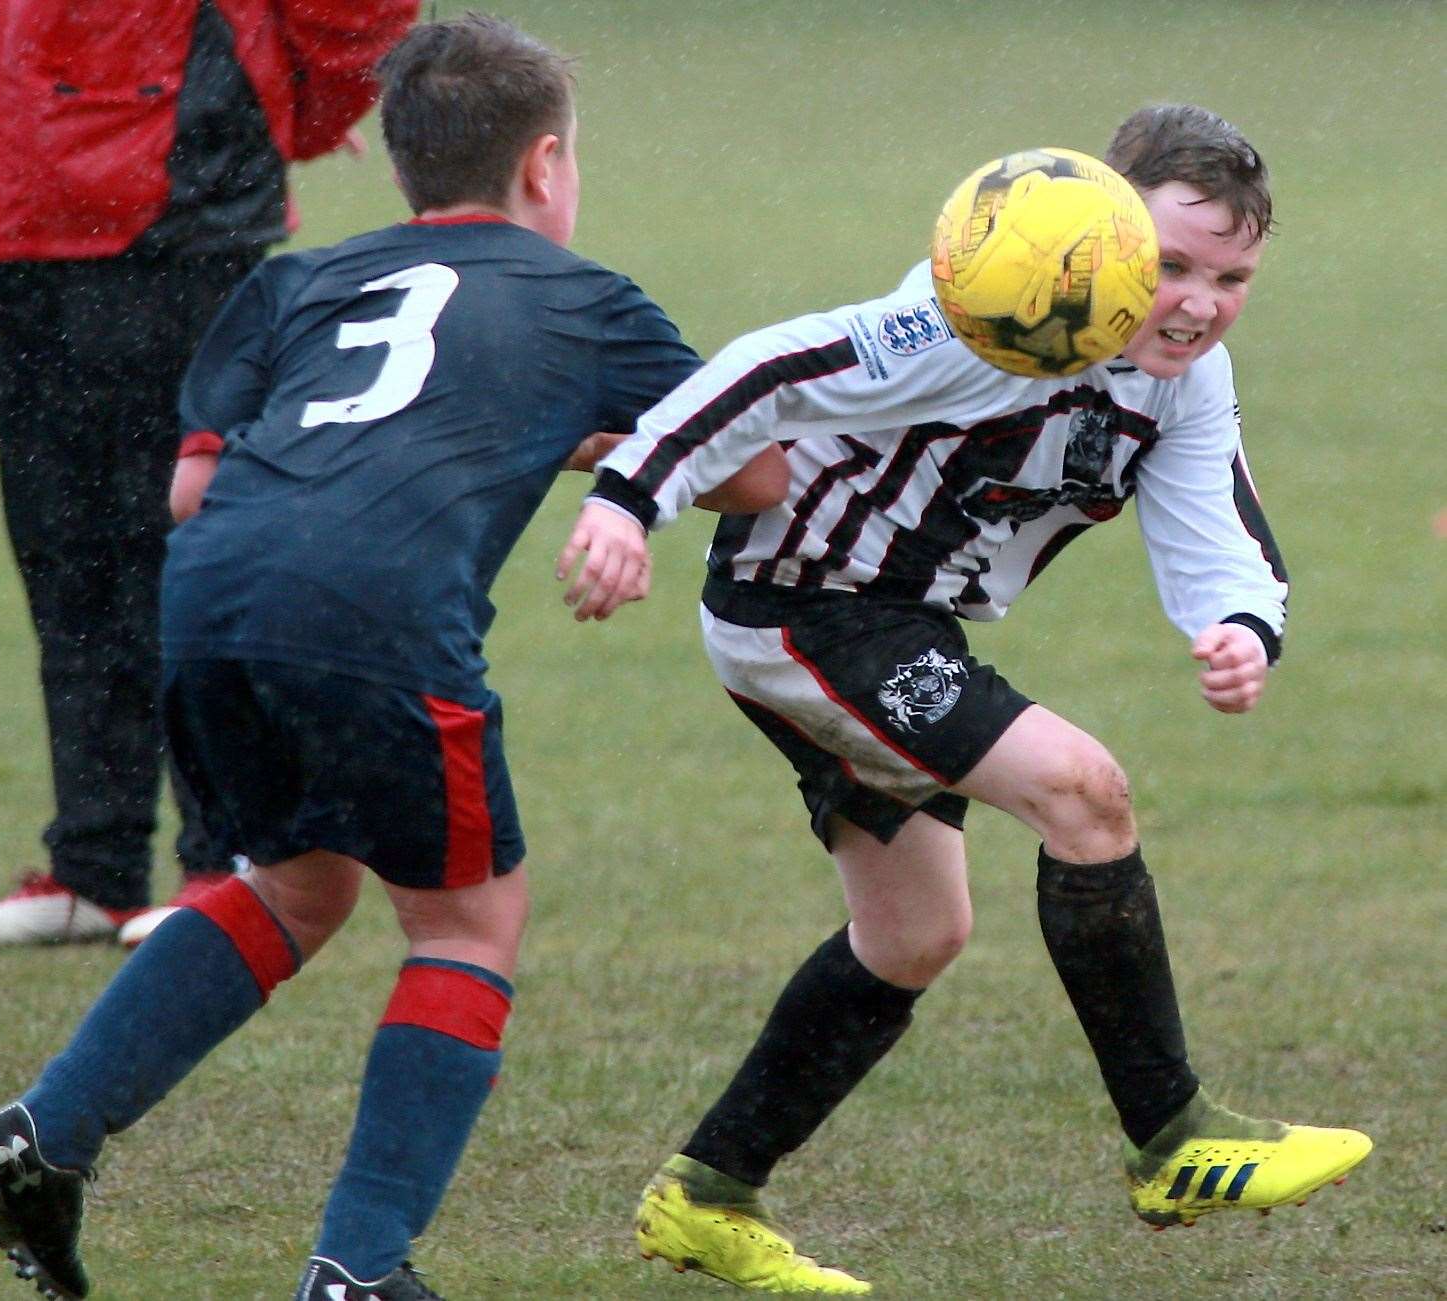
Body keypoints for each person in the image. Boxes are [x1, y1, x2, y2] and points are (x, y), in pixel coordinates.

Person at [0, 15, 785, 1301]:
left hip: (212, 601)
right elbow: (755, 471)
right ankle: (360, 1265)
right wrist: (569, 443)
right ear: (546, 165)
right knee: (468, 920)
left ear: (400, 161)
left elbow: (185, 496)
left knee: (296, 886)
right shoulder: (588, 300)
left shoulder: (291, 281)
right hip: (377, 618)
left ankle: (43, 1132)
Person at [557, 105, 1374, 1294]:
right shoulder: (985, 314)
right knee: (1082, 792)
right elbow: (771, 366)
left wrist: (1241, 627)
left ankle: (706, 1195)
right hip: (803, 603)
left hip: (897, 625)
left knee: (914, 933)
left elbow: (1217, 524)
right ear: (1093, 238)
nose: (1198, 301)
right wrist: (630, 498)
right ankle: (1173, 1136)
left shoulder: (1186, 383)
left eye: (1232, 275)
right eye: (1173, 267)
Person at [0, 0, 416, 949]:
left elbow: (359, 11)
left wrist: (286, 112)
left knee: (192, 553)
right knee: (66, 559)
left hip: (176, 222)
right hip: (28, 219)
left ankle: (220, 859)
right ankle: (93, 870)